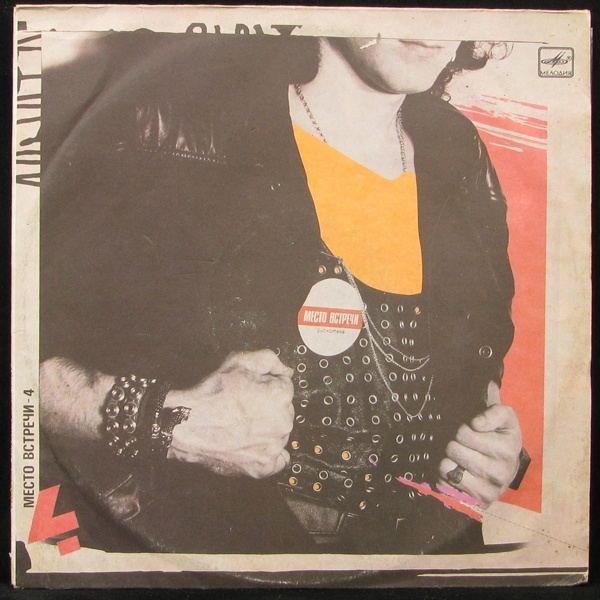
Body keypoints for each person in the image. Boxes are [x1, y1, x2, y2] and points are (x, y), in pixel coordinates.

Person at [40, 32, 527, 555]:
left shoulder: (458, 150)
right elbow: (26, 362)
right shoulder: (169, 125)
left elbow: (475, 362)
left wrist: (492, 450)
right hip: (213, 557)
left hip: (417, 563)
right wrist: (168, 421)